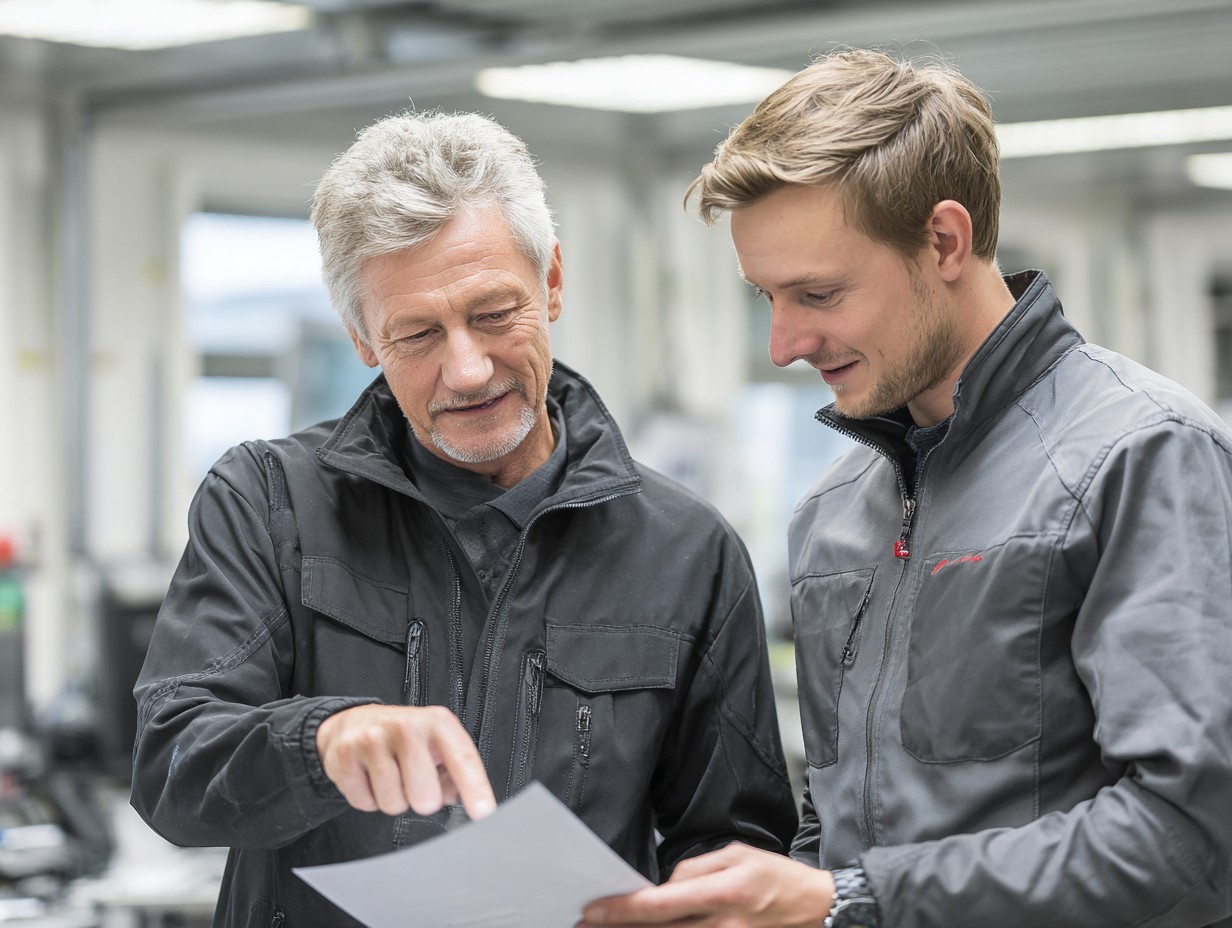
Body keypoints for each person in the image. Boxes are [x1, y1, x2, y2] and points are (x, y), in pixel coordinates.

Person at [581, 47, 1232, 928]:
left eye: (817, 293)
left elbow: (1190, 832)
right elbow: (839, 827)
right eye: (764, 297)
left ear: (944, 241)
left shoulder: (1142, 456)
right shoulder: (833, 514)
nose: (783, 345)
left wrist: (852, 900)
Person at [129, 110, 797, 928]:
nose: (469, 368)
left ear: (552, 280)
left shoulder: (689, 552)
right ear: (363, 338)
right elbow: (171, 770)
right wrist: (321, 743)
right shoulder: (267, 502)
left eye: (493, 314)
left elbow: (735, 844)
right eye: (416, 334)